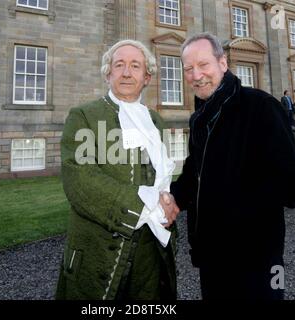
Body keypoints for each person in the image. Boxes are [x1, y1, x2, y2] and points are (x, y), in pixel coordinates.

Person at [167, 33, 295, 300]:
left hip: (259, 258)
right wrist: (171, 200)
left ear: (222, 63)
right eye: (188, 69)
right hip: (211, 258)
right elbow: (193, 176)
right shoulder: (200, 118)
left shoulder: (261, 106)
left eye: (203, 65)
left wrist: (234, 213)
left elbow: (291, 187)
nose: (196, 75)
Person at [55, 40, 180, 300]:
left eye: (135, 66)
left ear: (147, 77)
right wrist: (148, 202)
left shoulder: (155, 120)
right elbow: (80, 179)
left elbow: (161, 174)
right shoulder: (84, 116)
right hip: (100, 250)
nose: (126, 72)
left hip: (150, 253)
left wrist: (168, 200)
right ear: (108, 73)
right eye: (119, 65)